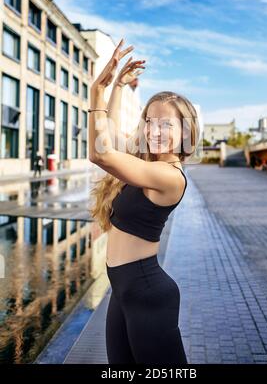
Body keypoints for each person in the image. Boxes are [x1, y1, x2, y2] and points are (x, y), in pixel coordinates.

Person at [89, 39, 200, 365]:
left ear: (186, 131)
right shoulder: (145, 163)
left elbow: (99, 153)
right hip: (121, 294)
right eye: (150, 121)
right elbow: (104, 135)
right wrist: (118, 86)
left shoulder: (168, 176)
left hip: (149, 297)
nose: (154, 130)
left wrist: (98, 88)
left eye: (166, 124)